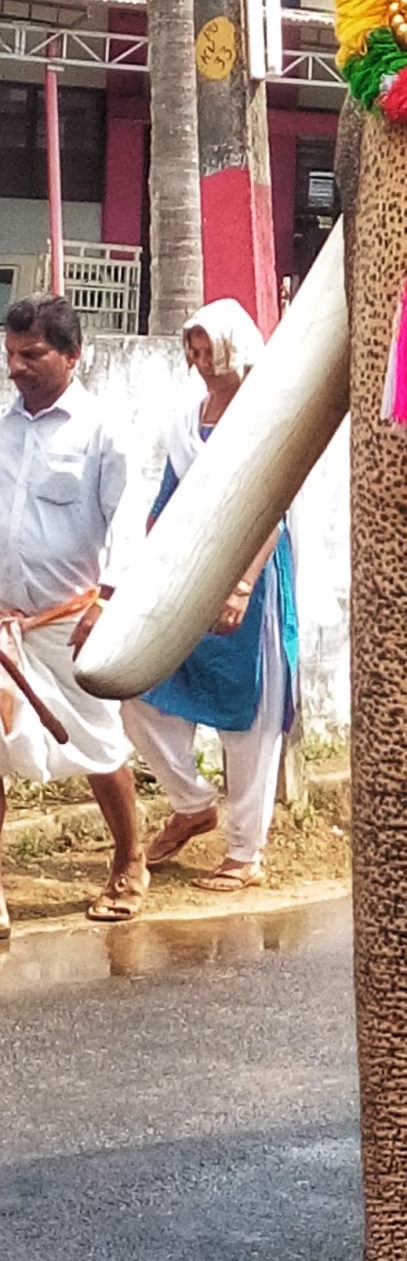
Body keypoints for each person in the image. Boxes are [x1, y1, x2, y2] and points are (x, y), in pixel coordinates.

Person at [122, 300, 299, 893]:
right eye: (192, 351)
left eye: (208, 350)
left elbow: (271, 505)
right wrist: (149, 566)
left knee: (251, 713)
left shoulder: (266, 414)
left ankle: (246, 854)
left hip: (252, 579)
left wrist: (243, 585)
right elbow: (167, 498)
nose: (199, 361)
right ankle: (192, 801)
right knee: (142, 691)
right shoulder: (187, 417)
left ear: (235, 347)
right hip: (187, 572)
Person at [0, 294, 147, 931]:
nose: (17, 367)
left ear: (72, 356)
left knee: (100, 748)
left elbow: (129, 522)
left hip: (73, 619)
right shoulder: (2, 426)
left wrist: (108, 601)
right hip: (5, 623)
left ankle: (129, 859)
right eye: (10, 355)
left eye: (31, 354)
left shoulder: (103, 431)